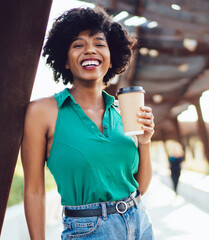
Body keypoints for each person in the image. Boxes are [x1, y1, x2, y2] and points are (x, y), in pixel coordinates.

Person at [21, 6, 155, 240]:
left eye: (99, 44)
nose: (90, 50)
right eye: (78, 45)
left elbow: (139, 188)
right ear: (64, 59)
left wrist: (145, 142)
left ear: (111, 56)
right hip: (87, 231)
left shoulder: (123, 110)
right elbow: (33, 190)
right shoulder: (42, 112)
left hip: (140, 224)